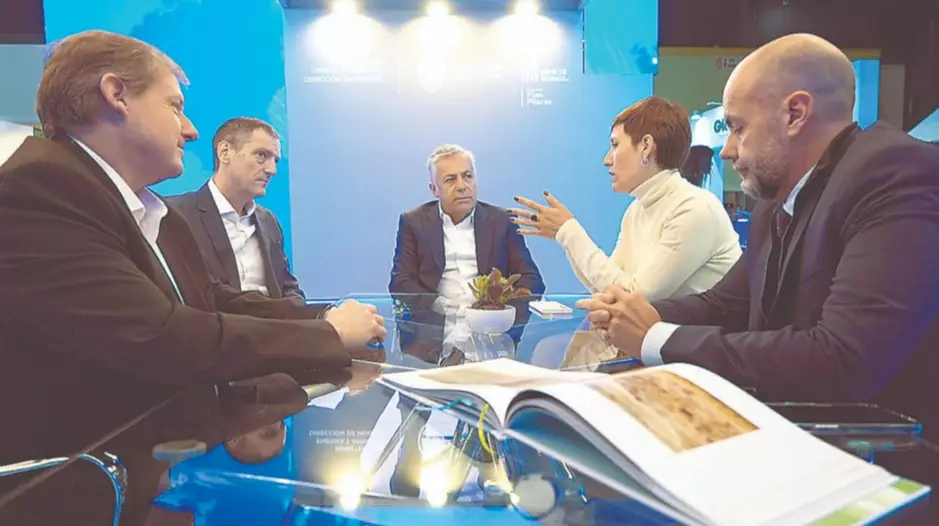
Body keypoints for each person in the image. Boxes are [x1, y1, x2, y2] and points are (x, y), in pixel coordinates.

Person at [0, 30, 385, 525]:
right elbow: (161, 335)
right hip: (81, 494)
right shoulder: (41, 188)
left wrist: (324, 317)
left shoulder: (145, 208)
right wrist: (329, 335)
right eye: (175, 106)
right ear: (116, 94)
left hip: (156, 467)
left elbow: (211, 300)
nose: (190, 130)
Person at [578, 34, 939, 502]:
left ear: (795, 113)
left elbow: (845, 358)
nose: (725, 150)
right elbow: (726, 304)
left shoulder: (895, 173)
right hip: (797, 451)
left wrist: (655, 336)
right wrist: (630, 314)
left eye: (736, 127)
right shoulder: (776, 202)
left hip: (887, 475)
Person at [511, 97, 740, 301]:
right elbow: (606, 289)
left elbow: (635, 297)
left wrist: (569, 231)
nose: (607, 160)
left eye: (615, 145)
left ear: (646, 147)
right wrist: (564, 235)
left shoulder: (694, 209)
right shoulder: (636, 210)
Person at [168, 117, 305, 305]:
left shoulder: (268, 221)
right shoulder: (177, 215)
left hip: (276, 321)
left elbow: (288, 288)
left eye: (275, 160)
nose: (272, 170)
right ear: (225, 152)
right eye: (261, 155)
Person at [389, 144, 545, 299]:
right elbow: (400, 282)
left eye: (467, 176)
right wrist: (437, 306)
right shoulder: (414, 222)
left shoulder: (502, 221)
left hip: (489, 313)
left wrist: (502, 302)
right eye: (450, 180)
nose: (462, 186)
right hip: (433, 313)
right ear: (434, 189)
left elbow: (531, 279)